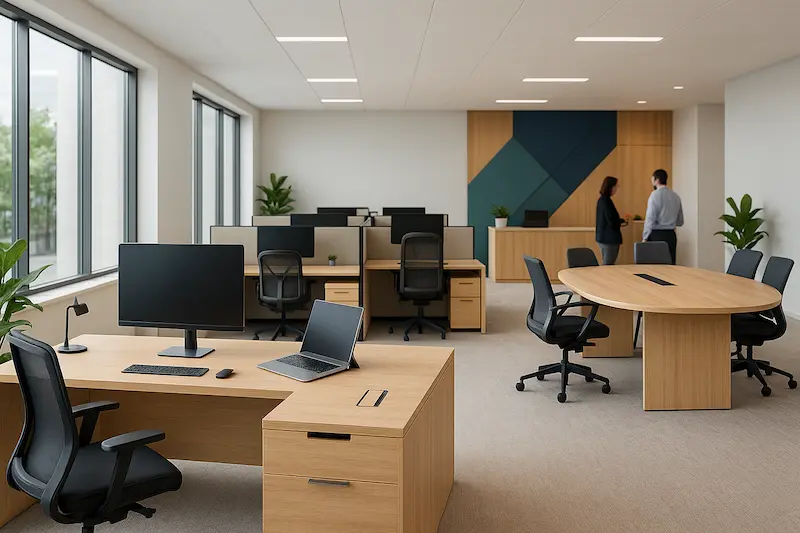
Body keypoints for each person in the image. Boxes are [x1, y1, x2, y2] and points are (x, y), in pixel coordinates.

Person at [642, 169, 683, 264]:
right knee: (670, 265)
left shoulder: (654, 195)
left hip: (656, 235)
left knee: (656, 267)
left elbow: (650, 219)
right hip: (671, 235)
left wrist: (645, 237)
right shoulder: (675, 196)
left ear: (657, 180)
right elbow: (680, 221)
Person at [595, 176, 626, 265]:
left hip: (603, 238)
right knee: (608, 265)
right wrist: (621, 221)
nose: (617, 189)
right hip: (609, 239)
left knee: (607, 263)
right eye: (616, 186)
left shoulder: (602, 200)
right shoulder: (606, 201)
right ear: (611, 187)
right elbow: (612, 220)